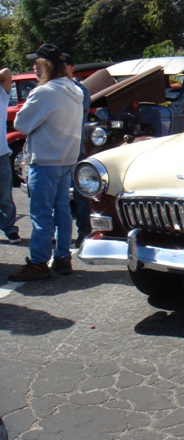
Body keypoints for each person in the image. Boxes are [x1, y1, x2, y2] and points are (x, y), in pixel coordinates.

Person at [9, 44, 84, 281]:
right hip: (66, 159)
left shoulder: (44, 92)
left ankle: (39, 262)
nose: (34, 67)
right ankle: (63, 257)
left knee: (41, 214)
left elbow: (21, 124)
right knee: (62, 211)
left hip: (45, 161)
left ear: (46, 65)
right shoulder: (76, 90)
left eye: (36, 63)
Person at [64, 53, 91, 248]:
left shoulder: (80, 90)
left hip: (75, 147)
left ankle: (84, 232)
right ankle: (57, 235)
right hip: (56, 151)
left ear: (71, 68)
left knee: (81, 194)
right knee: (58, 197)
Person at [0, 67, 22, 245]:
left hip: (1, 153)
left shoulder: (2, 93)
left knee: (5, 196)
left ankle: (9, 229)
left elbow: (7, 72)